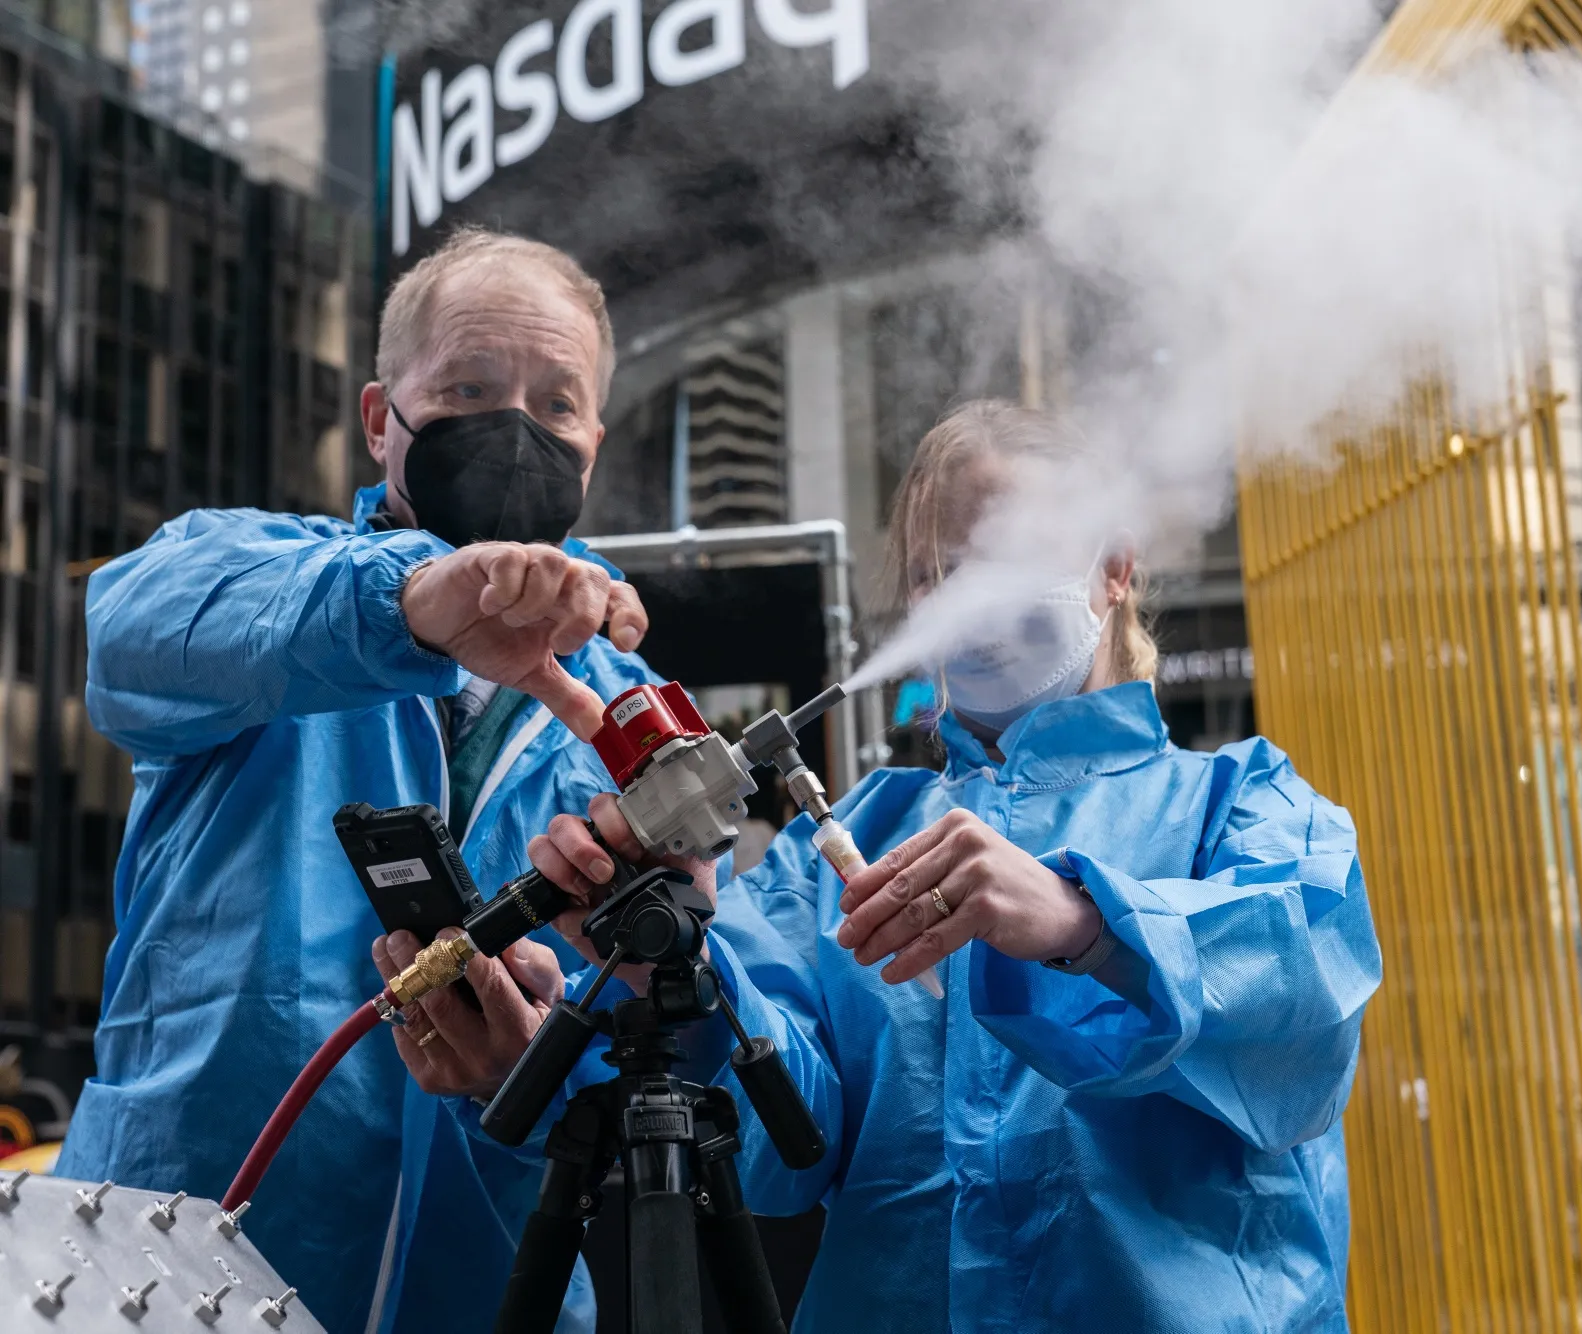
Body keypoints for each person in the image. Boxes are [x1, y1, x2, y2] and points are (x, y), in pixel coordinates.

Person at [404, 400, 1383, 1331]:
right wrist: (676, 957)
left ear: (1114, 564)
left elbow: (1302, 998)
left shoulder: (1241, 800)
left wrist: (1081, 920)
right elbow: (785, 1145)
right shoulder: (843, 842)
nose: (971, 595)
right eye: (937, 571)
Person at [57, 228, 660, 1334]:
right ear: (383, 417)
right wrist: (412, 598)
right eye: (469, 387)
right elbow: (127, 635)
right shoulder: (250, 576)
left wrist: (524, 1078)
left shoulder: (629, 707)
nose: (514, 429)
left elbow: (670, 1070)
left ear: (591, 444)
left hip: (485, 1292)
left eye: (555, 403)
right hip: (168, 1274)